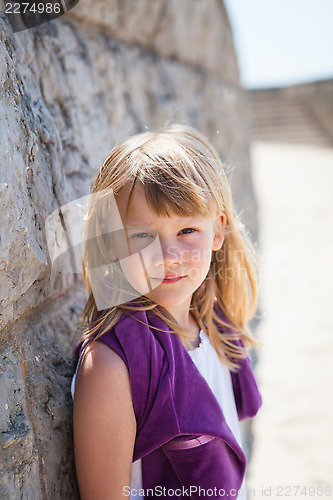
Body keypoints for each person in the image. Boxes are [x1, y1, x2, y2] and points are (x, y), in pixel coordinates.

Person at [71, 123, 262, 500]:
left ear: (218, 231)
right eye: (142, 235)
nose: (167, 256)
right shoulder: (112, 366)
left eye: (187, 230)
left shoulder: (217, 327)